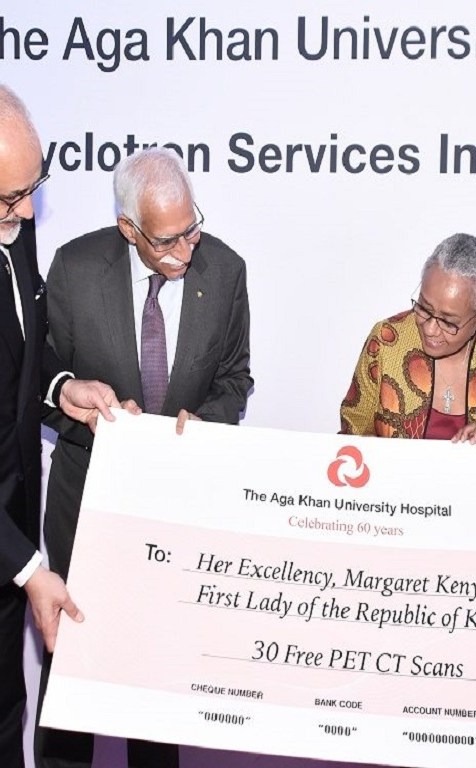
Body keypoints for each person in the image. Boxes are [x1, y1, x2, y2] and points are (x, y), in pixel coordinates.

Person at [36, 147, 254, 768]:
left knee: (155, 675)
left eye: (192, 229)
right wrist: (75, 399)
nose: (186, 250)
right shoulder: (75, 267)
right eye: (167, 240)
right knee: (73, 666)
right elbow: (41, 378)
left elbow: (235, 378)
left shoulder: (226, 270)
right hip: (86, 502)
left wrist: (207, 424)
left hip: (175, 510)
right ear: (129, 229)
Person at [0, 84, 120, 768]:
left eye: (32, 189)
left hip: (14, 536)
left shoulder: (14, 229)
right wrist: (28, 568)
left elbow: (20, 347)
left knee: (9, 712)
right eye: (8, 199)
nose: (25, 212)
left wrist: (60, 387)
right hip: (12, 553)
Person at [340, 232, 476, 444]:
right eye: (424, 308)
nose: (430, 328)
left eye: (448, 322)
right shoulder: (386, 342)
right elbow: (352, 438)